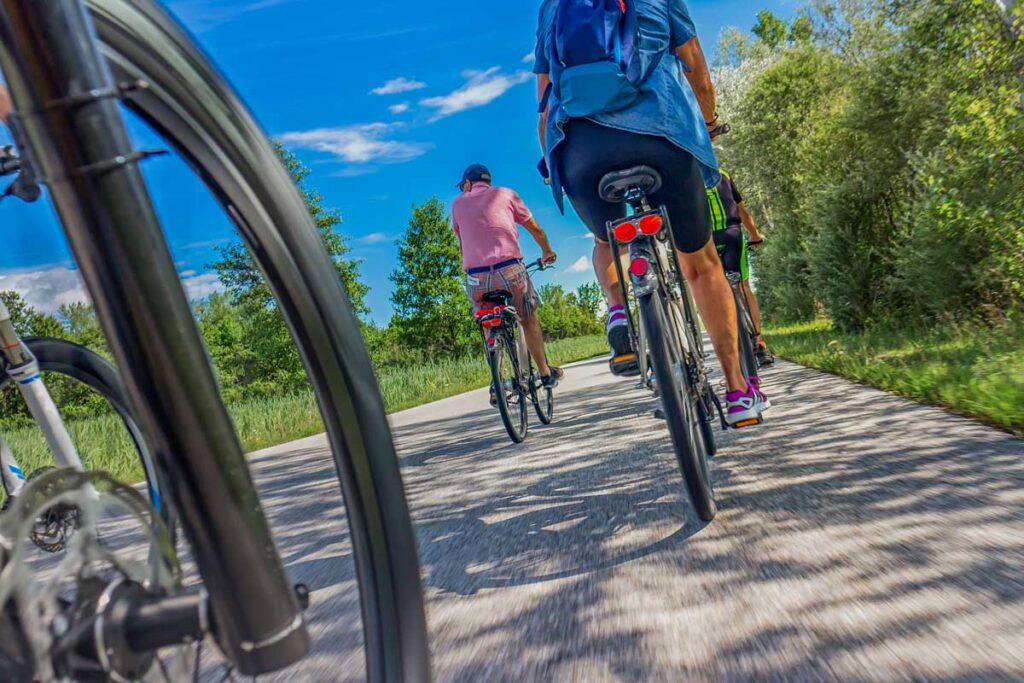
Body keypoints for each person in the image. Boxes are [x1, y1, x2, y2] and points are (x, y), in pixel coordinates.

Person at [533, 0, 768, 425]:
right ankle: (737, 391)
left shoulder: (554, 6)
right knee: (700, 265)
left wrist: (553, 163)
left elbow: (545, 102)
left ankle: (619, 309)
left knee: (608, 239)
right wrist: (709, 122)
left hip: (580, 150)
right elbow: (696, 70)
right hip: (662, 135)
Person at [452, 163, 564, 393]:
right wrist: (547, 251)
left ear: (469, 183)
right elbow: (535, 229)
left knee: (487, 320)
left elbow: (463, 244)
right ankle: (545, 373)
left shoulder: (457, 204)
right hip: (509, 270)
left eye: (464, 186)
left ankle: (497, 381)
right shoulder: (506, 194)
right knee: (527, 317)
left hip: (476, 278)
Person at [707, 169, 774, 366]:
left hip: (706, 241)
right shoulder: (722, 174)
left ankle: (728, 347)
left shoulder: (687, 175)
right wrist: (755, 234)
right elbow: (742, 211)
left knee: (712, 292)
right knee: (743, 287)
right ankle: (760, 344)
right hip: (731, 234)